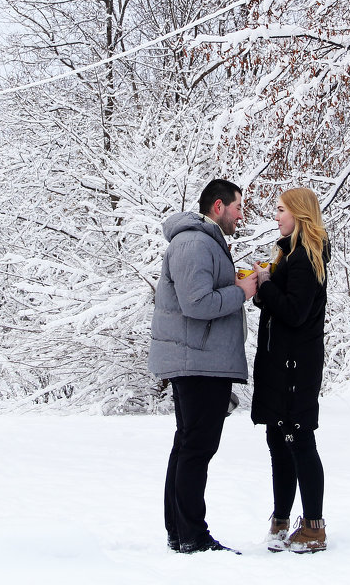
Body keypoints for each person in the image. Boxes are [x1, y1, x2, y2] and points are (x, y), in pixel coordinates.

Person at [149, 178, 258, 554]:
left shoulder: (201, 242)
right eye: (238, 207)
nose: (241, 215)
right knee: (197, 447)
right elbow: (196, 304)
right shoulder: (195, 242)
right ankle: (192, 535)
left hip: (198, 357)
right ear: (218, 206)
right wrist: (241, 292)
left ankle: (180, 532)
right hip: (198, 360)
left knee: (188, 445)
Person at [250, 187, 331, 553]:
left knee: (298, 439)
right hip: (282, 363)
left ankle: (314, 526)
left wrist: (265, 287)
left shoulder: (304, 258)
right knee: (277, 440)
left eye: (281, 210)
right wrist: (267, 280)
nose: (276, 216)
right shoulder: (290, 254)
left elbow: (295, 312)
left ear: (299, 213)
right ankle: (281, 520)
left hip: (294, 366)